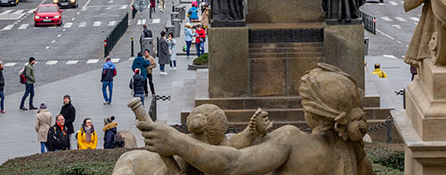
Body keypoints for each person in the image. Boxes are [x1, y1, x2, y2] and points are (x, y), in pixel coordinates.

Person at [139, 64, 371, 175]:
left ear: (314, 111)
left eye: (304, 101)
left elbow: (232, 164)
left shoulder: (291, 140)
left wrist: (177, 141)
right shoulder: (357, 157)